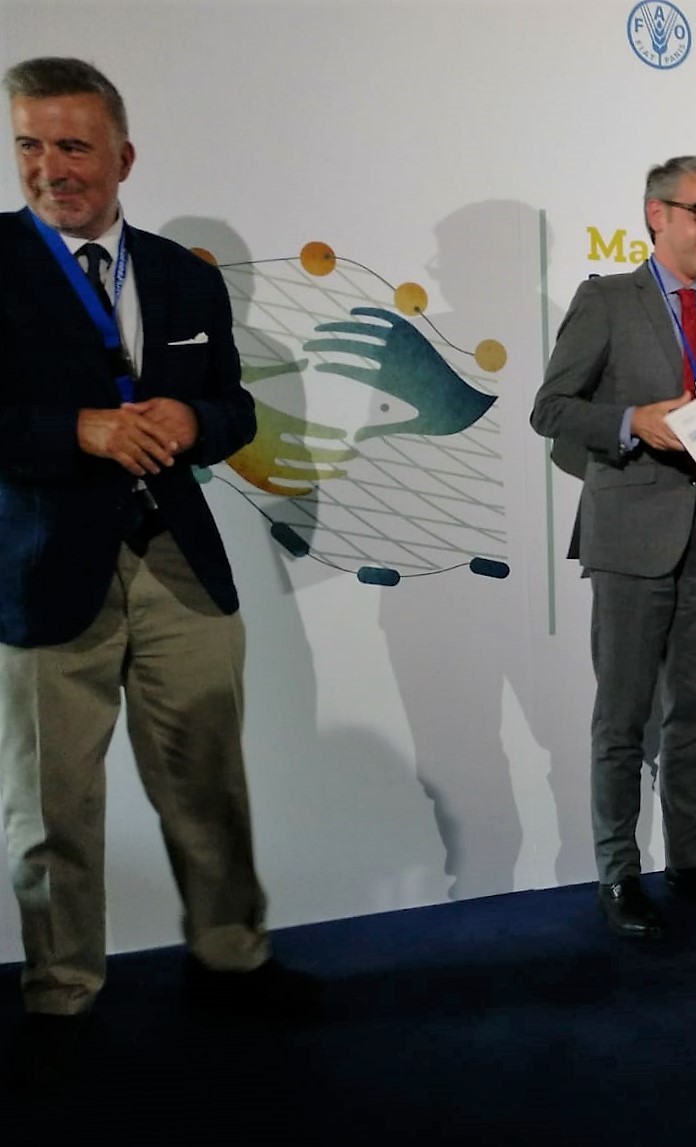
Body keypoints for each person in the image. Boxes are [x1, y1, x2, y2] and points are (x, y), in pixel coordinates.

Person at [0, 57, 317, 1077]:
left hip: (178, 561)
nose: (50, 168)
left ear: (123, 156)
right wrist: (77, 430)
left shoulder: (184, 275)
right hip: (45, 572)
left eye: (73, 145)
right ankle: (61, 992)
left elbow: (234, 408)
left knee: (208, 777)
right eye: (29, 145)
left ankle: (231, 959)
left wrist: (195, 419)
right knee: (51, 803)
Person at [530, 156, 696, 939]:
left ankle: (691, 859)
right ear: (656, 214)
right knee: (623, 720)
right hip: (632, 540)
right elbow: (550, 409)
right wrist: (631, 421)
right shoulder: (607, 300)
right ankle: (618, 873)